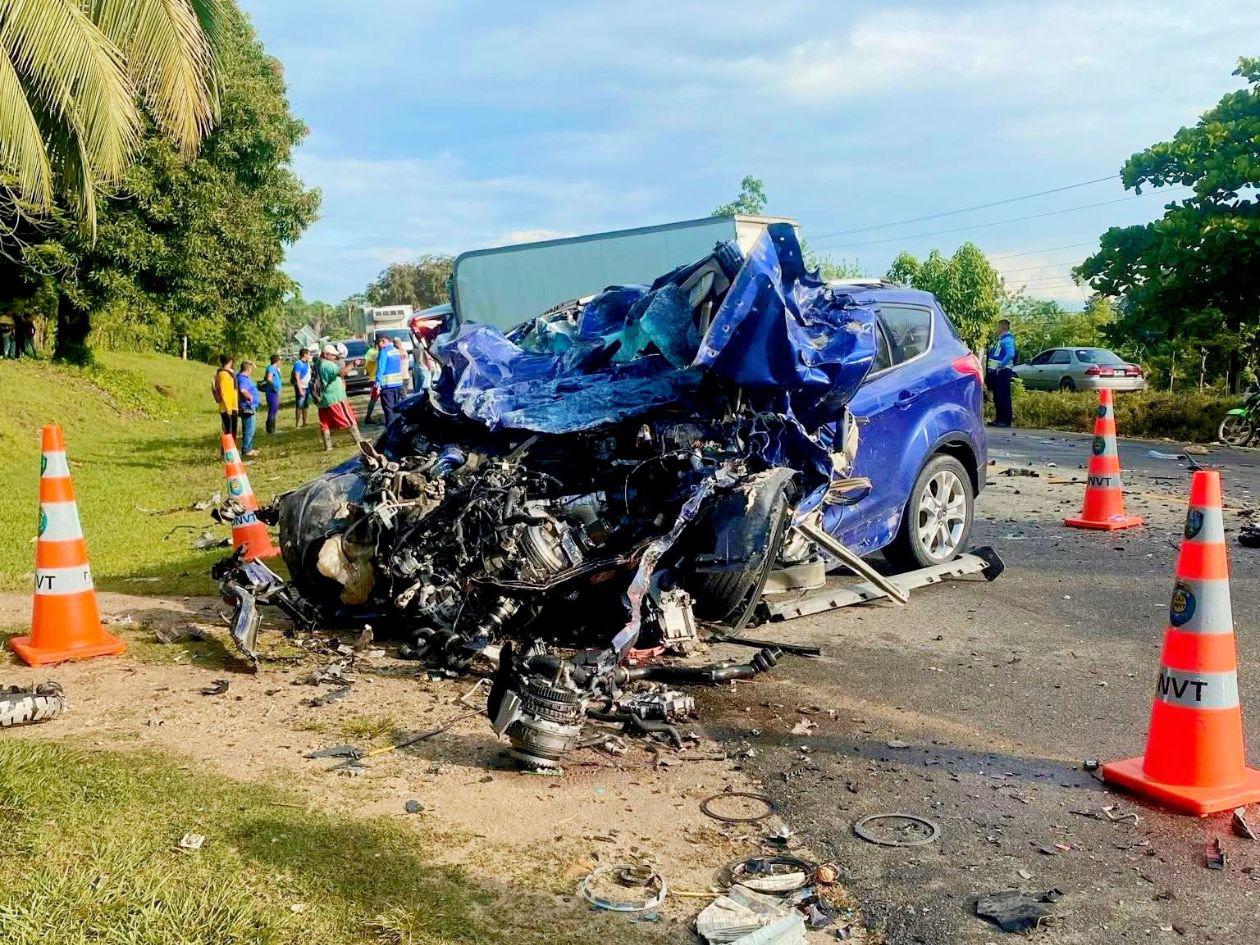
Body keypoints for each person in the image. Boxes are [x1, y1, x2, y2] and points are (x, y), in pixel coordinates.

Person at [315, 343, 361, 451]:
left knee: (325, 423)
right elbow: (341, 373)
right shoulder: (327, 365)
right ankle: (359, 439)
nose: (335, 358)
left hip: (322, 399)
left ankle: (328, 446)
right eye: (333, 356)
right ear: (326, 354)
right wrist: (353, 364)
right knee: (348, 417)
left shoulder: (317, 363)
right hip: (334, 397)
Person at [986, 319, 1017, 428]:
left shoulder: (1007, 340)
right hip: (997, 372)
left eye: (998, 326)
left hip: (1002, 372)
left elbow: (1010, 354)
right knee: (998, 396)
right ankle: (999, 419)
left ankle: (1005, 420)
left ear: (1002, 327)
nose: (997, 328)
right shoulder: (1001, 340)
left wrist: (1001, 366)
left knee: (1003, 396)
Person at [377, 335, 408, 426]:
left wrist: (377, 382)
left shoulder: (384, 351)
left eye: (378, 343)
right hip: (398, 383)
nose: (378, 345)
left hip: (387, 385)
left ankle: (391, 429)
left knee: (388, 409)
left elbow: (381, 368)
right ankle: (399, 426)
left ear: (382, 341)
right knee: (396, 407)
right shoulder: (395, 351)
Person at [236, 361, 260, 457]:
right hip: (247, 407)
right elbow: (243, 390)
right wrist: (249, 397)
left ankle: (248, 447)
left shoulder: (240, 376)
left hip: (247, 406)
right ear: (248, 370)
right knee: (250, 429)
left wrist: (251, 363)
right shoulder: (243, 379)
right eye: (251, 369)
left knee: (249, 428)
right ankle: (247, 449)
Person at [212, 355, 239, 438]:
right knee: (229, 433)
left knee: (232, 433)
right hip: (227, 408)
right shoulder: (224, 374)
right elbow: (225, 393)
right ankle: (227, 451)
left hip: (232, 406)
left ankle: (231, 450)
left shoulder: (227, 373)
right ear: (230, 362)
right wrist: (228, 409)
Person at [363, 337, 382, 424]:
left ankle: (368, 417)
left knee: (374, 398)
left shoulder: (369, 351)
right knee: (374, 398)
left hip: (372, 378)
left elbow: (366, 364)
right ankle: (368, 417)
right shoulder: (376, 352)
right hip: (376, 379)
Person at [290, 348, 311, 427]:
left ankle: (304, 422)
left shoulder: (307, 363)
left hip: (307, 387)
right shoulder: (298, 364)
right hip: (301, 387)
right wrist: (300, 389)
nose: (310, 356)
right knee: (299, 405)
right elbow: (297, 377)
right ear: (305, 355)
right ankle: (297, 423)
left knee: (306, 405)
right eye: (309, 354)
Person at [263, 354, 283, 435]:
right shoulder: (271, 368)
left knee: (273, 410)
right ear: (277, 361)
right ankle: (271, 430)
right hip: (272, 392)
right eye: (280, 360)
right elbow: (269, 379)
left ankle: (271, 429)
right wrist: (274, 387)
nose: (280, 362)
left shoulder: (273, 368)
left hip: (273, 392)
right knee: (272, 411)